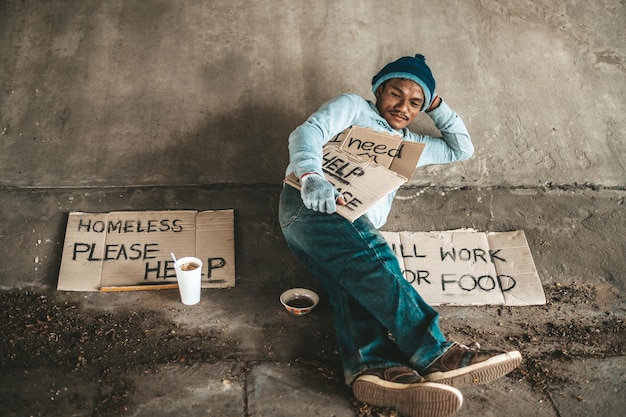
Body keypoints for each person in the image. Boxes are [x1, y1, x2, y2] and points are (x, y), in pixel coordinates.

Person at [278, 54, 521, 417]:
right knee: (377, 261)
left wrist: (436, 102)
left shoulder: (409, 147)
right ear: (379, 91)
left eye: (415, 102)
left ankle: (373, 369)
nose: (403, 107)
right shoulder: (354, 107)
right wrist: (313, 175)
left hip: (333, 228)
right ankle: (435, 351)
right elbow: (307, 133)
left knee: (355, 287)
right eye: (395, 94)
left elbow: (461, 148)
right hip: (313, 204)